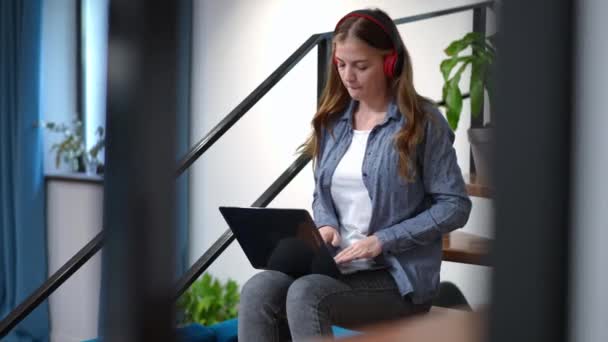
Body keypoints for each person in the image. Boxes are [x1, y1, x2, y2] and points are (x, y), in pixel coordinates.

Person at [238, 8, 472, 342]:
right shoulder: (333, 120)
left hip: (394, 278)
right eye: (341, 64)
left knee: (306, 294)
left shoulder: (424, 123)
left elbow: (454, 205)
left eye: (361, 66)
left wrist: (383, 240)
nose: (349, 76)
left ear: (390, 63)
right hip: (336, 266)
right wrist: (326, 225)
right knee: (259, 289)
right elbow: (323, 193)